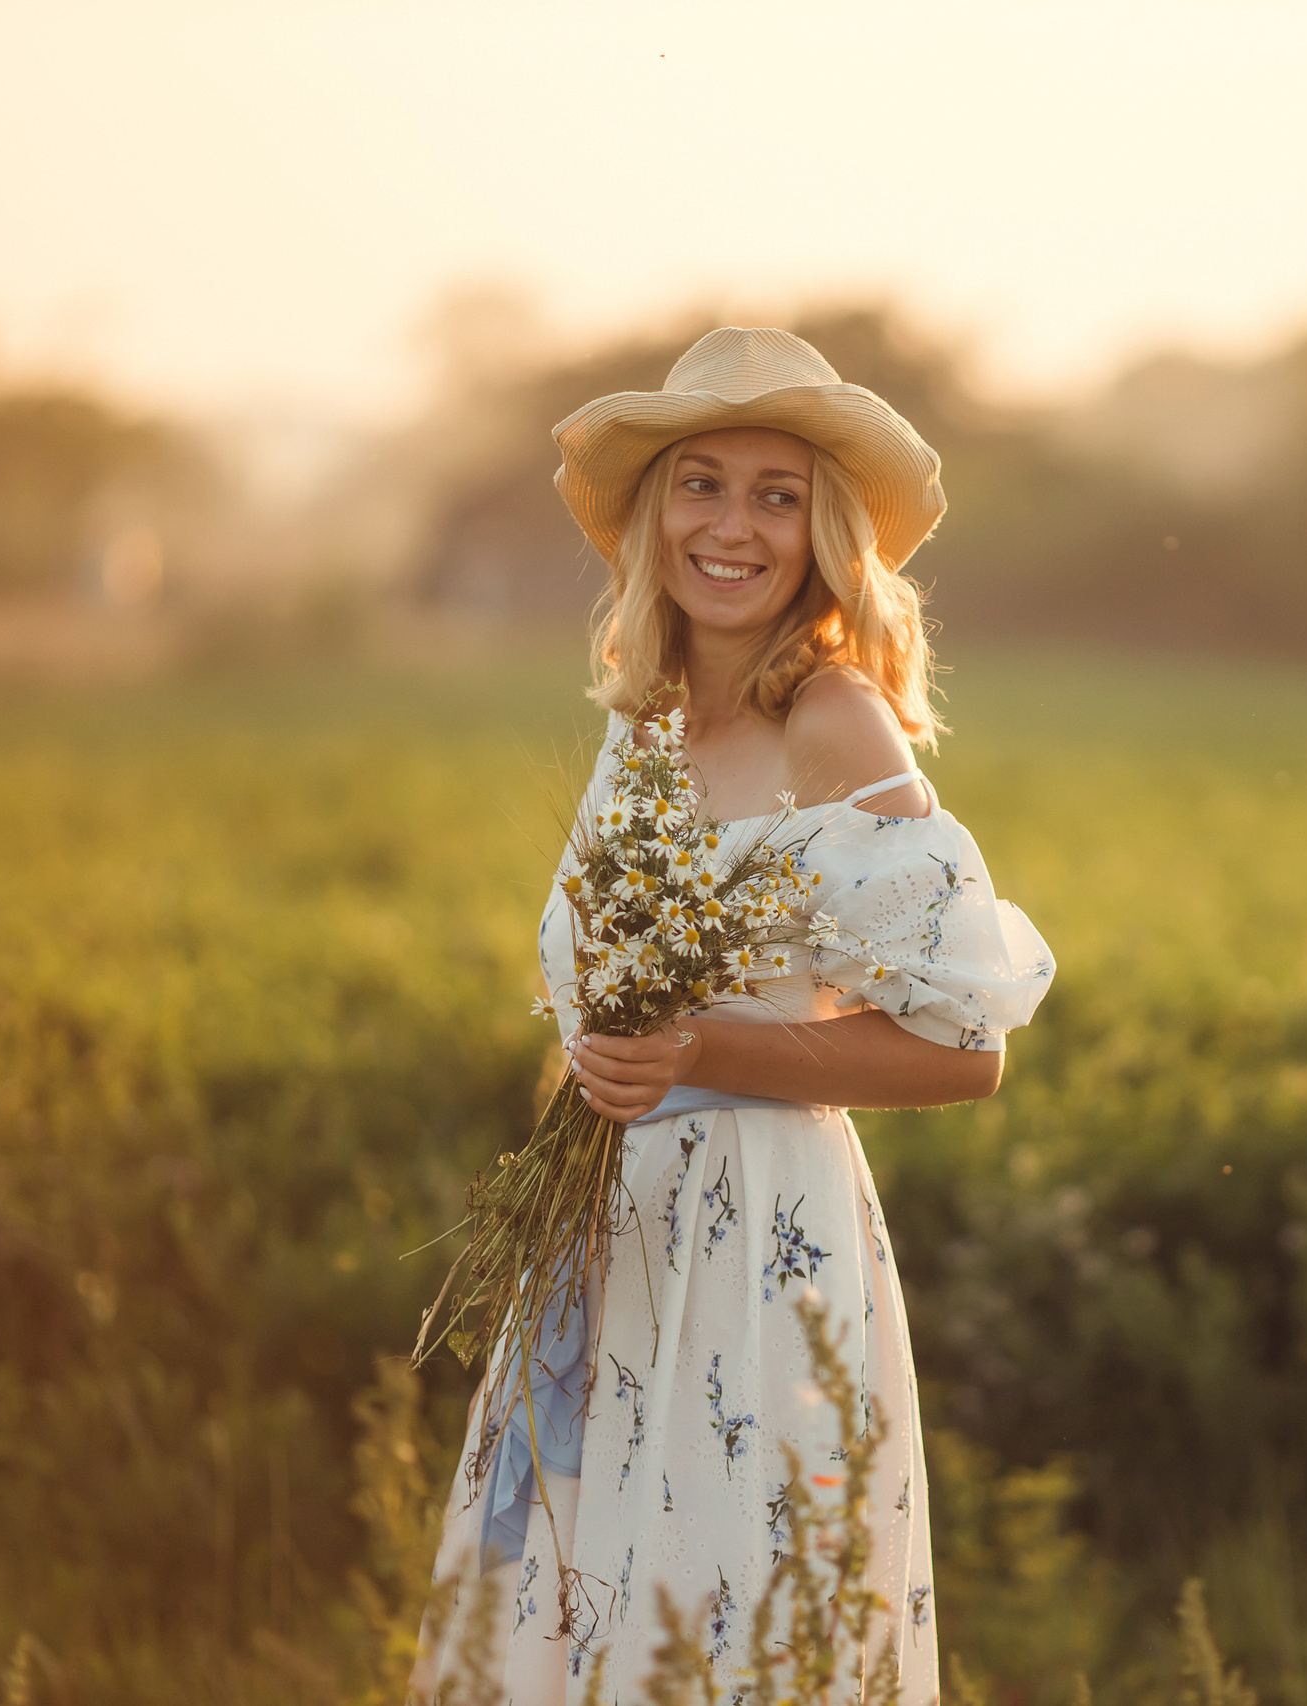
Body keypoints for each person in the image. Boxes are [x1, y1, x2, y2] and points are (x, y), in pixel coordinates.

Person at [412, 327, 1054, 1703]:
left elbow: (966, 1047)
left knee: (726, 1636)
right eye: (702, 483)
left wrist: (704, 1050)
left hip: (759, 1250)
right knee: (586, 1634)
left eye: (776, 494)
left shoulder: (837, 722)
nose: (733, 525)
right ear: (655, 517)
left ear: (821, 533)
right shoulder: (641, 718)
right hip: (610, 1241)